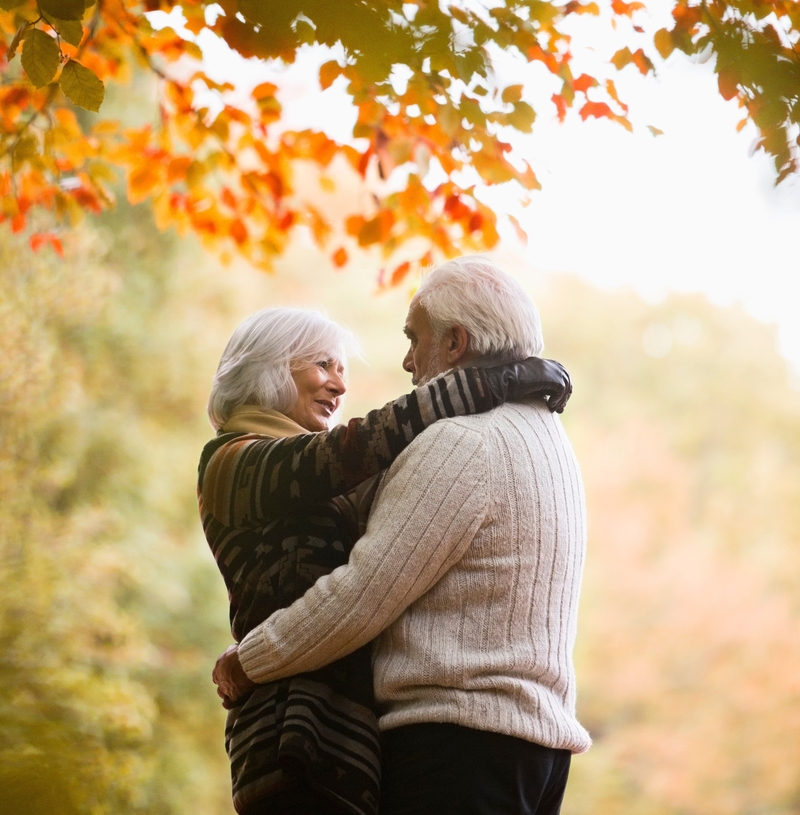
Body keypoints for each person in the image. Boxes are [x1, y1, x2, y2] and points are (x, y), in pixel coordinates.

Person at [212, 257, 591, 815]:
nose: (408, 360)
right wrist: (507, 379)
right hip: (527, 747)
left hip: (458, 745)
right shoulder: (548, 442)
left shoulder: (463, 443)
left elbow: (363, 592)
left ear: (457, 343)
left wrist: (247, 661)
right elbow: (353, 466)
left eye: (415, 338)